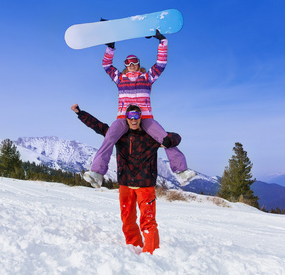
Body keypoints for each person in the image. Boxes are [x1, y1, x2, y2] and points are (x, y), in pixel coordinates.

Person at [87, 31, 196, 186]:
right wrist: (110, 48)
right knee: (109, 138)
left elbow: (161, 64)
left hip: (145, 118)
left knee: (165, 138)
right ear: (125, 65)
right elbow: (106, 65)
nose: (131, 66)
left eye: (134, 63)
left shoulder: (147, 77)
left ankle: (181, 172)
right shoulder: (120, 78)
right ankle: (97, 173)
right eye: (128, 63)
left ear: (138, 64)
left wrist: (162, 42)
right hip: (123, 118)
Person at [71, 103, 181, 254]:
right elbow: (98, 126)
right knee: (127, 220)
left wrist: (170, 140)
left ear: (141, 118)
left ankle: (152, 252)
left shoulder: (151, 136)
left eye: (137, 116)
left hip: (145, 185)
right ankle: (134, 246)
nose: (134, 119)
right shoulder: (119, 135)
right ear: (126, 118)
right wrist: (80, 113)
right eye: (131, 116)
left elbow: (175, 137)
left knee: (148, 221)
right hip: (125, 184)